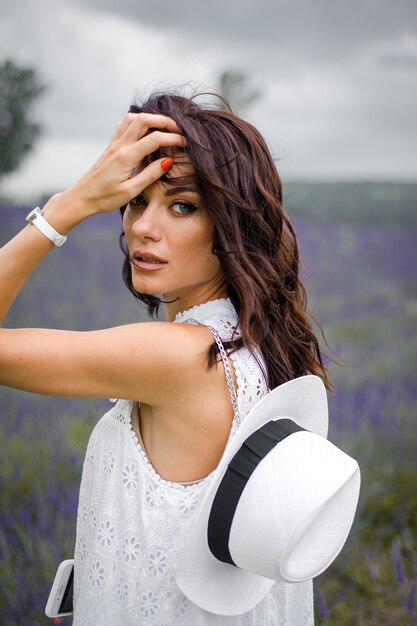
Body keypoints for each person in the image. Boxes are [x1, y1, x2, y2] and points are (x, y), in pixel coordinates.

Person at [0, 91, 331, 625]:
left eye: (182, 206)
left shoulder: (180, 356)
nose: (142, 228)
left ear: (231, 227)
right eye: (135, 200)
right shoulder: (256, 343)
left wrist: (71, 203)